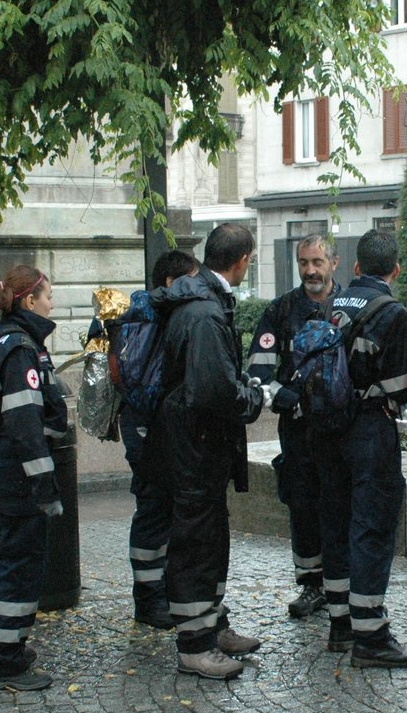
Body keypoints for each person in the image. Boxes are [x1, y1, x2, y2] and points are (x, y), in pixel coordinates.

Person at [149, 224, 267, 680]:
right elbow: (215, 391)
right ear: (242, 261)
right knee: (196, 541)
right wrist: (255, 399)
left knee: (210, 536)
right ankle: (195, 644)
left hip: (196, 444)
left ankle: (213, 625)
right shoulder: (204, 313)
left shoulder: (199, 300)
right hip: (195, 446)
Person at [318, 230, 407, 668]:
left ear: (356, 268)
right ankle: (371, 635)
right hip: (370, 431)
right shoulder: (394, 313)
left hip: (327, 430)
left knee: (338, 521)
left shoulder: (330, 305)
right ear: (395, 271)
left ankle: (341, 624)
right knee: (372, 527)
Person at [0, 265, 71, 691]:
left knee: (12, 558)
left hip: (1, 465)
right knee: (22, 564)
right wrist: (44, 485)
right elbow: (25, 425)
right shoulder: (19, 349)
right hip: (15, 471)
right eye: (48, 296)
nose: (52, 303)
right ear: (29, 301)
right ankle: (6, 663)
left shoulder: (4, 339)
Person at [247, 234, 341, 620]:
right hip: (299, 433)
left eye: (317, 261)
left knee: (338, 505)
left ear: (333, 262)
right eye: (304, 262)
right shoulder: (281, 310)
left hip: (338, 431)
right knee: (302, 506)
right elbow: (257, 369)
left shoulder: (349, 307)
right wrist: (276, 391)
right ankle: (311, 584)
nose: (310, 270)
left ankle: (341, 583)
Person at [117, 249, 200, 630]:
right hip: (147, 424)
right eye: (190, 278)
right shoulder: (155, 315)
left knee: (159, 507)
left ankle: (157, 593)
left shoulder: (141, 316)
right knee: (153, 508)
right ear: (170, 282)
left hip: (142, 422)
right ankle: (148, 600)